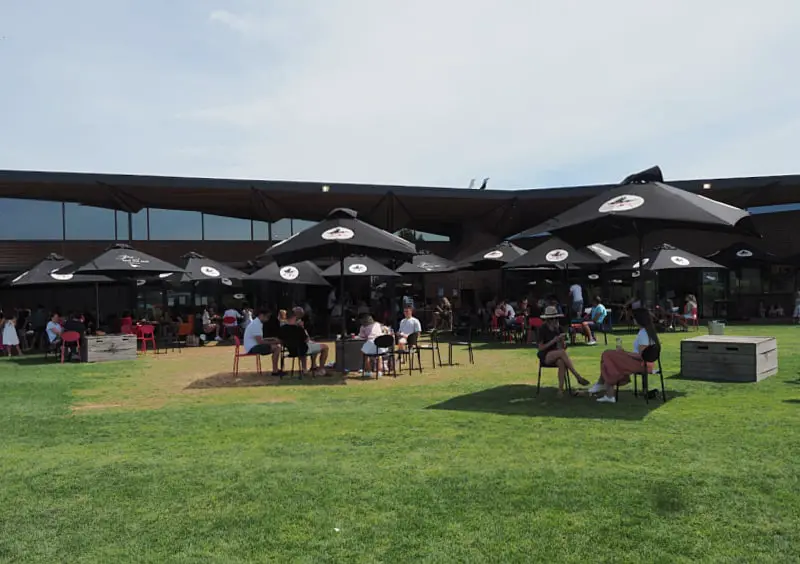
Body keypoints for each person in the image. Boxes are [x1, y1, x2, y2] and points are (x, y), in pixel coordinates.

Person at [589, 308, 659, 403]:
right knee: (609, 359)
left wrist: (625, 353)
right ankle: (606, 390)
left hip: (642, 364)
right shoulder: (649, 331)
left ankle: (604, 387)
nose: (633, 320)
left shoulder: (643, 333)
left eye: (634, 318)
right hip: (644, 363)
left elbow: (641, 356)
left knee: (607, 355)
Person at [537, 306, 589, 395]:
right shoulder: (542, 329)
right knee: (562, 353)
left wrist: (561, 340)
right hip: (545, 355)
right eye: (553, 318)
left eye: (556, 318)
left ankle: (560, 390)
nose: (556, 320)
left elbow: (563, 348)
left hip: (557, 353)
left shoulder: (559, 328)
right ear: (548, 319)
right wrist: (553, 340)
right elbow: (540, 348)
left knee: (561, 361)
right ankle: (577, 376)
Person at [284, 311, 329, 376]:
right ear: (294, 317)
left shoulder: (282, 328)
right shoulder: (298, 328)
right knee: (325, 347)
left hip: (291, 350)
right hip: (302, 349)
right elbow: (306, 339)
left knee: (310, 345)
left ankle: (307, 368)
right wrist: (302, 327)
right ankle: (321, 369)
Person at [242, 308, 284, 376]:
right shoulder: (256, 324)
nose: (268, 319)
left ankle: (275, 369)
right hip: (252, 348)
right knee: (277, 347)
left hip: (254, 346)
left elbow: (261, 339)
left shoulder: (257, 323)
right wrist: (274, 342)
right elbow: (260, 342)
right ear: (261, 315)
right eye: (267, 317)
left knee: (276, 346)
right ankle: (275, 370)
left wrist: (273, 339)